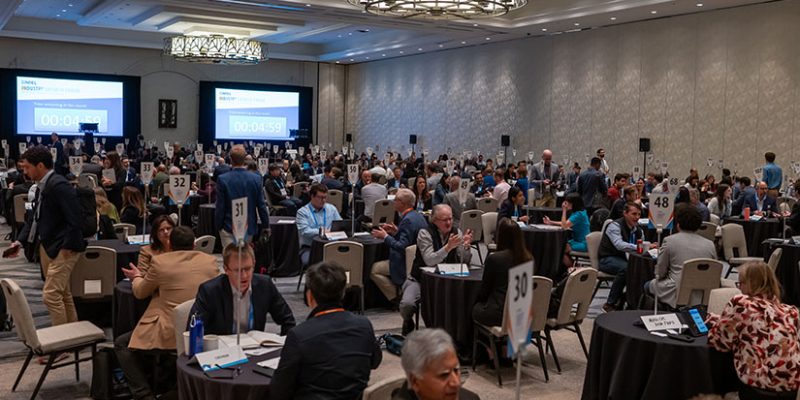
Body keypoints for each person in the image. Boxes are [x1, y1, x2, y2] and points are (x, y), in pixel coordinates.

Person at [116, 226, 219, 400]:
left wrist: (137, 277)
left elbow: (141, 292)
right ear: (194, 245)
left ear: (170, 244)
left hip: (169, 330)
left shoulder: (160, 262)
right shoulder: (210, 261)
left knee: (121, 344)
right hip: (203, 329)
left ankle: (143, 394)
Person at [271, 262, 382, 399]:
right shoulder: (364, 325)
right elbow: (375, 361)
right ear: (343, 293)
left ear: (309, 296)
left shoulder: (299, 335)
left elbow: (279, 390)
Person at [6, 145, 87, 328]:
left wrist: (66, 248)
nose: (24, 172)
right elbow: (35, 217)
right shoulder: (44, 185)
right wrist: (20, 241)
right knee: (63, 294)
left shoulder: (59, 185)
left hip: (63, 248)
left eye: (27, 167)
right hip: (49, 245)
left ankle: (61, 343)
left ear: (40, 165)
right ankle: (71, 336)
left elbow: (76, 219)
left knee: (51, 295)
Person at [707, 262, 799, 400]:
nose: (739, 288)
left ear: (750, 284)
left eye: (740, 284)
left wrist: (717, 324)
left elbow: (719, 342)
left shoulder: (742, 303)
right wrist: (724, 321)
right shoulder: (792, 312)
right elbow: (764, 329)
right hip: (791, 389)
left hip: (758, 388)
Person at [191, 244, 295, 335]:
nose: (244, 276)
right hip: (222, 352)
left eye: (248, 269)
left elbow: (288, 320)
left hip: (255, 351)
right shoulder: (210, 291)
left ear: (254, 264)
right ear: (226, 269)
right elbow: (194, 329)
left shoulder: (264, 285)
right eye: (237, 270)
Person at [403, 205, 473, 335]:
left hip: (447, 281)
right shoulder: (425, 233)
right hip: (420, 279)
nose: (448, 223)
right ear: (434, 220)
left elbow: (465, 261)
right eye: (444, 220)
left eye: (450, 219)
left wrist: (466, 247)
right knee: (407, 304)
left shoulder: (456, 232)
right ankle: (407, 321)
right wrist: (448, 247)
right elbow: (429, 260)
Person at [643, 203, 717, 308]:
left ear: (678, 224)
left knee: (647, 286)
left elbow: (660, 272)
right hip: (703, 293)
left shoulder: (669, 241)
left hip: (677, 291)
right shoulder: (710, 244)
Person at [370, 188, 428, 302]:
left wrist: (385, 236)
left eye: (395, 200)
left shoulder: (407, 220)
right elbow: (410, 238)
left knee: (374, 270)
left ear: (403, 203)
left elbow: (402, 247)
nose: (393, 202)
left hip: (405, 263)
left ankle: (398, 296)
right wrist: (396, 231)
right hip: (417, 260)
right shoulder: (417, 216)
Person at [473, 218, 533, 327]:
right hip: (521, 312)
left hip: (499, 314)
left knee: (472, 307)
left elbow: (485, 291)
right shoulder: (528, 258)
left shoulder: (495, 259)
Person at [392, 329, 480, 400]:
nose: (456, 383)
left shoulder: (471, 398)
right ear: (415, 382)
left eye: (456, 370)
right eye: (444, 375)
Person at [598, 202, 652, 312]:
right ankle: (610, 303)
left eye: (638, 214)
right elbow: (619, 245)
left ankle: (630, 301)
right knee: (626, 269)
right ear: (625, 213)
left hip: (624, 259)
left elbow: (641, 248)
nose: (637, 217)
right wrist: (640, 246)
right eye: (634, 214)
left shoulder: (638, 230)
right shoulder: (614, 226)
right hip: (607, 258)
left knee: (642, 269)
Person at [215, 145, 271, 249]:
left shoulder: (222, 179)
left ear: (230, 159)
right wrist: (266, 225)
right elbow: (261, 205)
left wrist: (218, 226)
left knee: (229, 260)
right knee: (245, 259)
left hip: (228, 226)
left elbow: (220, 207)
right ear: (245, 159)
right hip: (248, 226)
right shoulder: (256, 179)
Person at [296, 184, 342, 265]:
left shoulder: (331, 209)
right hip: (310, 247)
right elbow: (304, 231)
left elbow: (339, 225)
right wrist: (322, 232)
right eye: (320, 197)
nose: (323, 200)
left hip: (331, 246)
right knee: (317, 263)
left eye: (325, 197)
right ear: (312, 196)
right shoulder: (302, 212)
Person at [544, 193, 589, 268]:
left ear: (573, 203)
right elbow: (566, 223)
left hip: (583, 243)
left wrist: (564, 211)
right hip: (576, 240)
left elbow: (564, 226)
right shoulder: (578, 212)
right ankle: (574, 265)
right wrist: (550, 222)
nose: (565, 204)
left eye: (567, 202)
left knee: (559, 249)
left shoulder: (579, 215)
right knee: (558, 246)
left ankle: (572, 268)